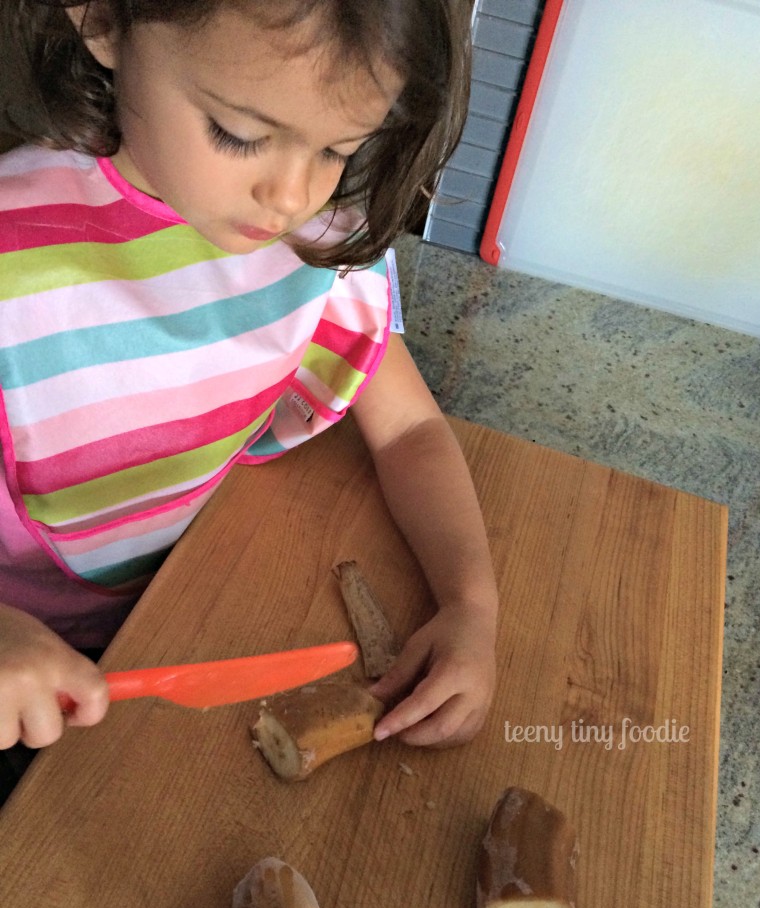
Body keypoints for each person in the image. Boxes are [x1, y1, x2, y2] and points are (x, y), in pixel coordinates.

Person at [0, 0, 498, 762]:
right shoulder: (13, 256)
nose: (293, 196)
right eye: (241, 134)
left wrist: (471, 605)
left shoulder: (313, 239)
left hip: (185, 620)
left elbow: (410, 429)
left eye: (338, 149)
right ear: (101, 18)